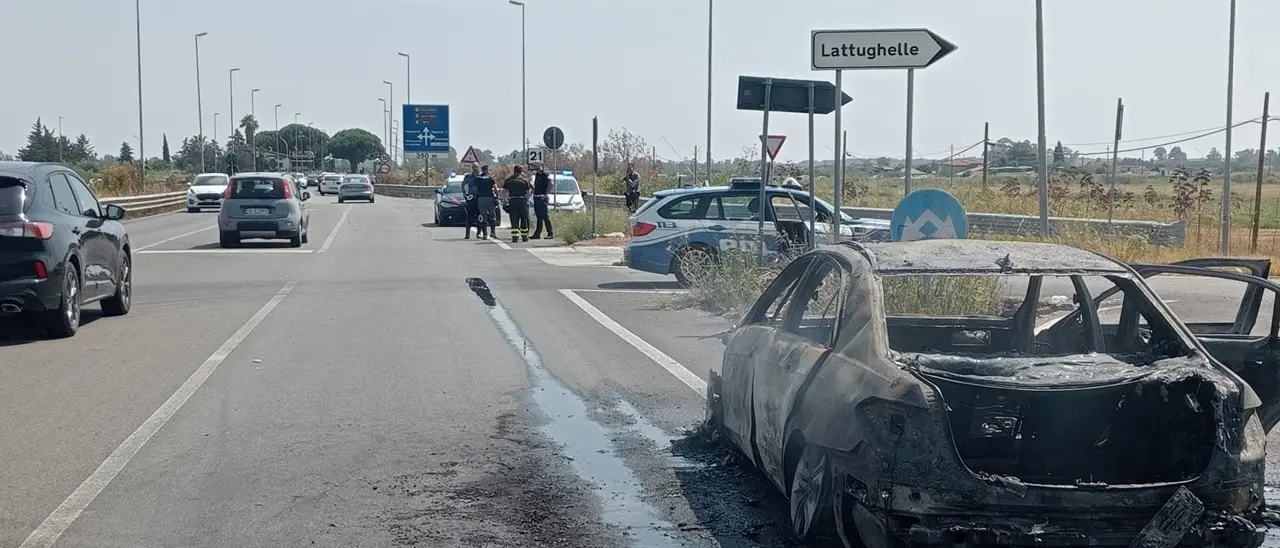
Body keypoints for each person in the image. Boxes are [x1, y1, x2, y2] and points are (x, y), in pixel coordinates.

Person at [502, 165, 533, 242]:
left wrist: (505, 201)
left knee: (514, 219)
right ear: (521, 171)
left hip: (512, 201)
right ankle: (524, 237)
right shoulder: (524, 180)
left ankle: (515, 237)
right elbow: (528, 192)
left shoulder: (509, 180)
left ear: (514, 170)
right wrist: (526, 199)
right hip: (522, 201)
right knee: (524, 219)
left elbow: (504, 192)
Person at [471, 165, 498, 239]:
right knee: (492, 215)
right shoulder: (490, 178)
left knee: (483, 216)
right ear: (486, 170)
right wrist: (497, 197)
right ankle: (492, 232)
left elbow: (474, 189)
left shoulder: (477, 179)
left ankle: (485, 234)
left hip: (481, 199)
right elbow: (496, 189)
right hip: (490, 198)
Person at [530, 163, 554, 240]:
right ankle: (537, 234)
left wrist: (546, 194)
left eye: (537, 166)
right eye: (535, 166)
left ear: (541, 166)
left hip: (542, 197)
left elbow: (551, 184)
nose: (536, 167)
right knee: (539, 217)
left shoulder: (545, 175)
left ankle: (550, 233)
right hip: (536, 197)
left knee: (545, 216)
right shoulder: (537, 175)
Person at [462, 164, 482, 239]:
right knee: (470, 216)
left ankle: (479, 233)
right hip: (471, 199)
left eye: (476, 167)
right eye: (473, 167)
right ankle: (467, 234)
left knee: (480, 216)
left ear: (479, 167)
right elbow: (463, 185)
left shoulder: (482, 176)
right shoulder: (468, 176)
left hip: (480, 198)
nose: (475, 168)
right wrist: (465, 194)